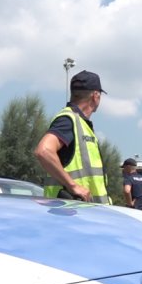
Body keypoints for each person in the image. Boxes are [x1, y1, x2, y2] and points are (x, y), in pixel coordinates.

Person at [34, 70, 110, 204]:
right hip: (72, 215)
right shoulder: (68, 120)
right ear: (95, 96)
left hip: (87, 213)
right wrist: (73, 186)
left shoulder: (81, 124)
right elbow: (43, 151)